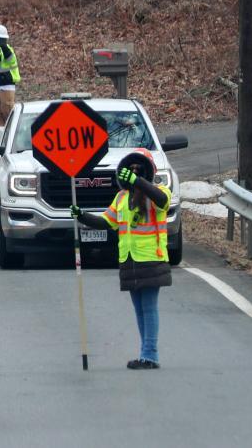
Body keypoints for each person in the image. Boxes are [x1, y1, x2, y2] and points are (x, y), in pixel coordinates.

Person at [71, 149, 172, 370]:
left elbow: (162, 200)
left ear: (148, 171)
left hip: (151, 259)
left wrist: (140, 181)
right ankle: (145, 353)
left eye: (139, 169)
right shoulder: (122, 198)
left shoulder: (158, 192)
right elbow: (107, 222)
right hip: (129, 260)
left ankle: (150, 355)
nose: (134, 173)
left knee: (149, 307)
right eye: (131, 170)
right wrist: (82, 215)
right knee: (139, 308)